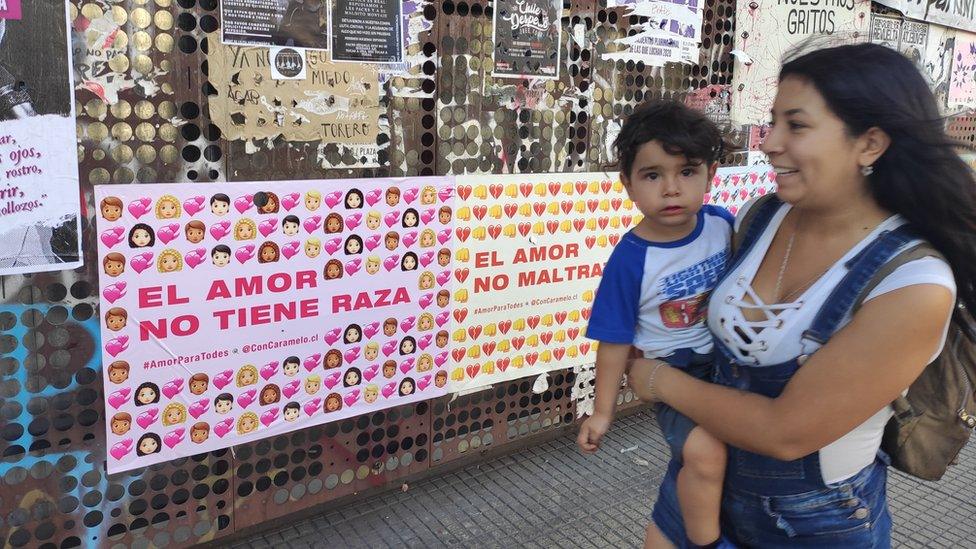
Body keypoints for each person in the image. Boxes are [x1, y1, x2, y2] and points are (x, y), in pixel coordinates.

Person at [629, 43, 969, 547]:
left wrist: (653, 377)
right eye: (772, 122)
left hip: (811, 521)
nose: (769, 143)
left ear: (870, 144)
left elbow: (784, 432)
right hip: (704, 474)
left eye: (797, 125)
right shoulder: (756, 217)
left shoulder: (914, 284)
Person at [576, 100, 733, 549]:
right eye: (652, 175)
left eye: (687, 172)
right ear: (627, 183)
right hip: (675, 374)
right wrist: (603, 412)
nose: (671, 189)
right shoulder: (630, 260)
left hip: (728, 366)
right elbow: (613, 341)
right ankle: (706, 543)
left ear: (711, 176)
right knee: (703, 453)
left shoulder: (722, 225)